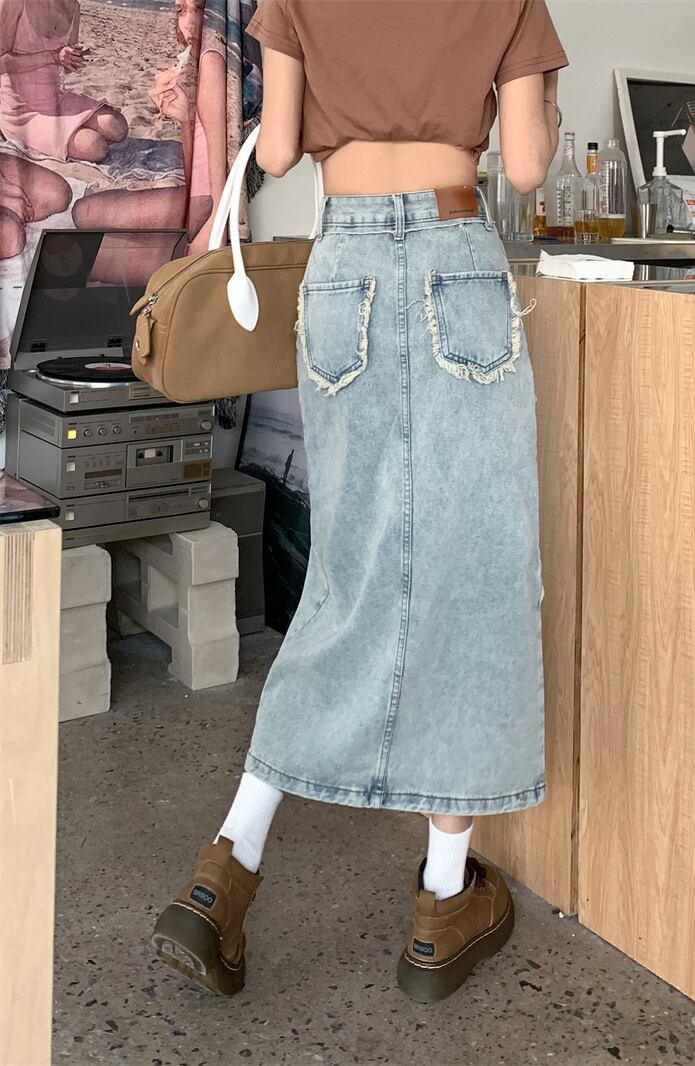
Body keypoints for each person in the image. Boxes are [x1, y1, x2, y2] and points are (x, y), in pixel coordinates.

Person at [152, 0, 568, 1004]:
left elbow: (278, 150)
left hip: (343, 275)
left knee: (347, 574)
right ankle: (442, 901)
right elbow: (523, 166)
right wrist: (542, 103)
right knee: (473, 574)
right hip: (453, 263)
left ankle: (225, 869)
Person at [0, 0, 128, 163]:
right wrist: (52, 56)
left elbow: (64, 66)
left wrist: (73, 59)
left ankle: (67, 134)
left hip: (57, 99)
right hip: (21, 110)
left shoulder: (73, 7)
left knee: (117, 126)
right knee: (95, 146)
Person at [149, 0, 228, 254]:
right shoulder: (195, 66)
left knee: (87, 213)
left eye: (199, 9)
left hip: (207, 203)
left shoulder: (211, 61)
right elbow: (194, 167)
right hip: (197, 196)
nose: (189, 23)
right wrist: (185, 119)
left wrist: (216, 226)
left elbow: (218, 186)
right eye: (181, 10)